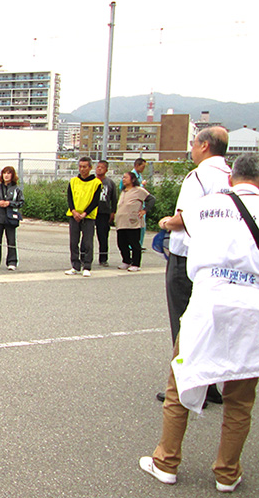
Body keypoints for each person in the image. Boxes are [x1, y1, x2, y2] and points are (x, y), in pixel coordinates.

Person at [138, 153, 259, 494]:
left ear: (233, 178)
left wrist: (164, 224)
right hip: (251, 304)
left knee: (179, 385)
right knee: (240, 398)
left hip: (208, 299)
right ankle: (226, 472)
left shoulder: (209, 203)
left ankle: (166, 462)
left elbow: (179, 222)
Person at [156, 127, 231, 406]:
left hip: (188, 256)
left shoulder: (198, 175)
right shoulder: (231, 176)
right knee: (210, 321)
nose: (191, 147)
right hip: (220, 257)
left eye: (194, 142)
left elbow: (183, 218)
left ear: (205, 146)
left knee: (183, 321)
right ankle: (210, 384)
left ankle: (186, 386)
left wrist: (165, 223)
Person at [64, 157, 102, 277]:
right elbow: (70, 198)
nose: (82, 169)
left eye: (85, 166)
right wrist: (74, 211)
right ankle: (75, 265)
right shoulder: (73, 181)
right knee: (73, 241)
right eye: (80, 166)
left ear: (90, 168)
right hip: (74, 215)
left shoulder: (96, 183)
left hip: (88, 216)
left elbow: (95, 201)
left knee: (87, 242)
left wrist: (85, 213)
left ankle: (87, 265)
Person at [115, 172, 154, 272]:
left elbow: (151, 199)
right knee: (121, 243)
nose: (124, 179)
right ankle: (126, 261)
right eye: (123, 177)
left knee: (134, 243)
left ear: (132, 180)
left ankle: (136, 263)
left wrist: (144, 210)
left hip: (132, 222)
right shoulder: (123, 191)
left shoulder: (139, 190)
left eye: (126, 178)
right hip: (121, 222)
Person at [0, 166, 25, 271]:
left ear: (12, 175)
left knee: (11, 240)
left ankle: (12, 261)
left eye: (9, 173)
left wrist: (9, 203)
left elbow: (21, 202)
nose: (6, 175)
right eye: (4, 173)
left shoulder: (17, 189)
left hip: (11, 218)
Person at [95, 160, 118, 267]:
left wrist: (113, 212)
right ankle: (85, 257)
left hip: (104, 213)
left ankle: (103, 258)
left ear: (106, 170)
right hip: (91, 212)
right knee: (87, 236)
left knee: (103, 236)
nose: (99, 169)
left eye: (102, 167)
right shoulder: (92, 181)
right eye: (98, 167)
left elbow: (114, 199)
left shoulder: (109, 183)